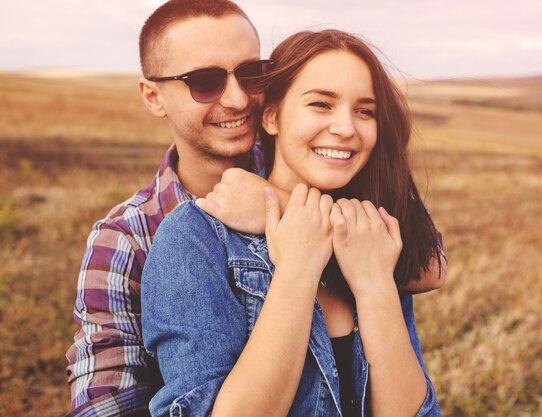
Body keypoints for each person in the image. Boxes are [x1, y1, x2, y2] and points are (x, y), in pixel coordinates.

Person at [65, 1, 446, 416]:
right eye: (204, 81)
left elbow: (427, 263)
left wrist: (280, 205)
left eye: (251, 74)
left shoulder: (345, 193)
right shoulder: (135, 235)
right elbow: (103, 406)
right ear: (153, 96)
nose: (237, 98)